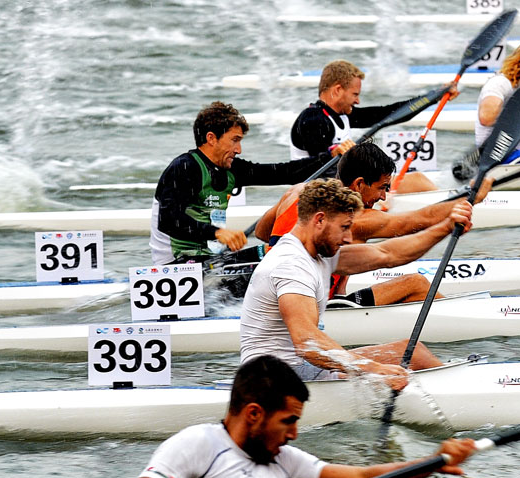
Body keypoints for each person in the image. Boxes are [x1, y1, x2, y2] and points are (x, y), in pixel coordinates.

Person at [110, 355, 477, 478]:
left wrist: (433, 463)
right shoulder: (199, 444)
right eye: (288, 422)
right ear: (254, 414)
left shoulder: (281, 459)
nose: (294, 434)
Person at [239, 178, 472, 382]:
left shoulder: (316, 254)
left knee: (411, 352)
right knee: (409, 358)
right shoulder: (291, 265)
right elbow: (307, 343)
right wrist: (372, 369)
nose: (349, 238)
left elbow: (389, 254)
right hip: (273, 380)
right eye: (345, 228)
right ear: (319, 220)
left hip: (301, 369)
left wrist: (445, 228)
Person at [252, 142, 491, 307]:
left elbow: (262, 232)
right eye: (381, 188)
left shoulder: (297, 191)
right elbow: (417, 221)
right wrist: (471, 198)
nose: (384, 197)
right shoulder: (354, 219)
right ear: (358, 184)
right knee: (415, 284)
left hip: (273, 290)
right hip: (310, 304)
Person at [151, 101, 333, 265]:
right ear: (211, 138)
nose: (239, 149)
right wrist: (217, 233)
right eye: (234, 140)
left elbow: (283, 173)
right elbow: (168, 220)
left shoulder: (231, 169)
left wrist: (330, 157)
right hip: (175, 265)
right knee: (278, 255)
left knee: (280, 253)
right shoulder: (184, 168)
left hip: (208, 260)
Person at [290, 60, 454, 193]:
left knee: (415, 179)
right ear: (338, 90)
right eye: (355, 94)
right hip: (322, 196)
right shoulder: (312, 120)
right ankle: (455, 208)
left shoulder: (342, 115)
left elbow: (388, 114)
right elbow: (321, 168)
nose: (358, 101)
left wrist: (434, 96)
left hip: (344, 188)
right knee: (417, 181)